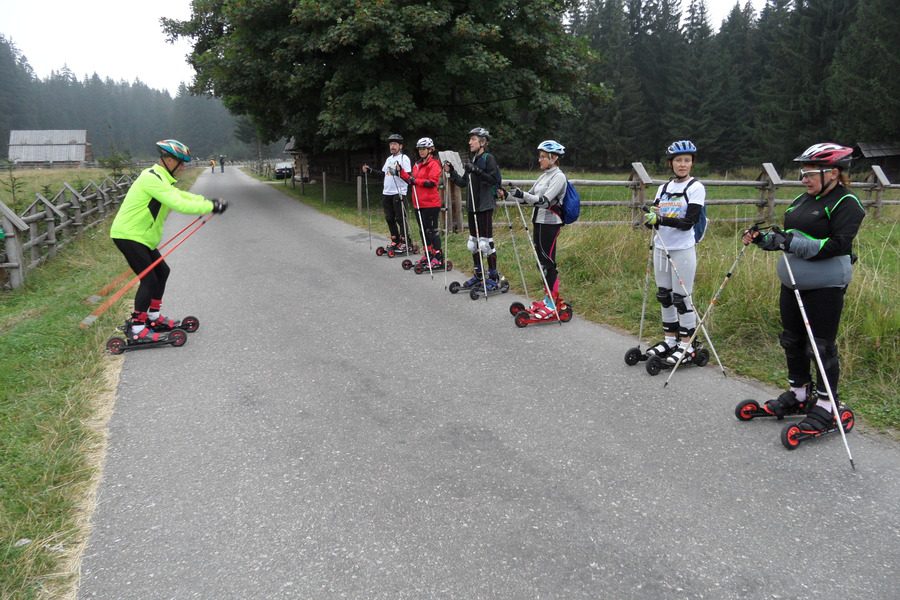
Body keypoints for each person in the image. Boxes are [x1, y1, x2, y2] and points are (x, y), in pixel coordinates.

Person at [742, 142, 865, 433]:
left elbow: (837, 245)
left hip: (825, 286)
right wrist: (765, 239)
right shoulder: (802, 199)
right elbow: (789, 237)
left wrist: (790, 242)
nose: (804, 178)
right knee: (792, 340)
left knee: (820, 347)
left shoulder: (847, 203)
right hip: (793, 284)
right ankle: (799, 393)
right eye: (803, 172)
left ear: (833, 173)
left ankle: (827, 405)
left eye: (811, 172)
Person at [110, 139, 227, 343]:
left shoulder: (161, 179)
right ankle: (137, 328)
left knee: (163, 272)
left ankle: (153, 318)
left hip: (142, 238)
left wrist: (208, 202)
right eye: (181, 162)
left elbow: (181, 195)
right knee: (149, 279)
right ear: (169, 161)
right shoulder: (151, 178)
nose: (183, 167)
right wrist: (210, 207)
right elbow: (178, 203)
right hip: (129, 235)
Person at [642, 140, 706, 366]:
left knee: (681, 298)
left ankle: (686, 343)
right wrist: (651, 218)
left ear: (692, 163)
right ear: (671, 163)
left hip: (682, 250)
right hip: (661, 247)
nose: (682, 164)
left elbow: (689, 222)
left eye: (687, 160)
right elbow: (656, 216)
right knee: (664, 295)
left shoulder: (695, 187)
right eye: (678, 160)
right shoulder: (664, 188)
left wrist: (660, 219)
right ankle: (670, 339)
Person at [501, 140, 568, 318]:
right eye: (540, 156)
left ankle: (553, 302)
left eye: (543, 157)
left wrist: (524, 194)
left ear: (553, 158)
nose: (539, 160)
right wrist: (508, 195)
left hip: (550, 223)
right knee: (541, 263)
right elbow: (528, 199)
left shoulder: (559, 177)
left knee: (548, 262)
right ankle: (548, 298)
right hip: (538, 222)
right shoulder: (544, 176)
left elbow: (544, 201)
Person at [444, 127, 503, 290]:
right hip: (472, 206)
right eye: (470, 139)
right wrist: (453, 172)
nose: (470, 142)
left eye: (473, 139)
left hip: (484, 205)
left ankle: (493, 277)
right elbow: (463, 182)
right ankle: (478, 275)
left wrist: (476, 170)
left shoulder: (487, 158)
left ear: (482, 142)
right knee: (474, 244)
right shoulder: (473, 159)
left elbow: (493, 179)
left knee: (486, 243)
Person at [399, 137, 444, 268]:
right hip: (418, 203)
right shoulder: (417, 164)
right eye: (419, 149)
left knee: (431, 230)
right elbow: (410, 180)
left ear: (431, 150)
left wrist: (415, 181)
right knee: (422, 231)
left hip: (431, 203)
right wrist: (400, 172)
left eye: (424, 149)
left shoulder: (434, 164)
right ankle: (428, 254)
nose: (421, 151)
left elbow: (431, 183)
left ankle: (438, 256)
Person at [362, 134, 413, 253]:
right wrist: (370, 170)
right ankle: (395, 240)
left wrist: (398, 172)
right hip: (387, 192)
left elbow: (409, 176)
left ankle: (406, 241)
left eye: (395, 144)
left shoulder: (404, 158)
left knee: (400, 218)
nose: (392, 146)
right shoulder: (389, 159)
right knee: (389, 218)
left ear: (400, 146)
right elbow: (383, 174)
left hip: (399, 192)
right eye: (391, 144)